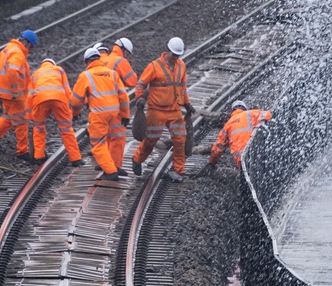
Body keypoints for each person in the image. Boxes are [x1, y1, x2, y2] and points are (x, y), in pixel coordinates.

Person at [131, 36, 191, 181]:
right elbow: (140, 85)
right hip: (156, 110)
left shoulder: (181, 66)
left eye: (178, 55)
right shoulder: (154, 66)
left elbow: (182, 88)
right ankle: (137, 159)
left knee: (180, 139)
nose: (176, 58)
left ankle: (178, 169)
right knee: (151, 139)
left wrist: (187, 104)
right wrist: (139, 98)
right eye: (174, 54)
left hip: (175, 109)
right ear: (168, 51)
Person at [72, 44, 129, 180]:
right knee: (115, 137)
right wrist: (126, 114)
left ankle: (110, 171)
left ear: (87, 61)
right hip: (114, 113)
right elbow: (123, 95)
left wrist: (75, 112)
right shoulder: (112, 73)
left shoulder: (85, 75)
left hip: (99, 114)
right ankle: (115, 165)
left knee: (98, 144)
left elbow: (75, 100)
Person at [0, 30, 36, 158]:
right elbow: (13, 71)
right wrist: (15, 90)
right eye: (30, 46)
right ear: (26, 42)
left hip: (5, 91)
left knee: (8, 117)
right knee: (21, 121)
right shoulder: (17, 53)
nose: (29, 49)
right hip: (13, 94)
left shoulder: (9, 48)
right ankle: (22, 151)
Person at [28, 57, 83, 166]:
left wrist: (30, 114)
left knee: (39, 129)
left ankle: (39, 157)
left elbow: (29, 95)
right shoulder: (59, 70)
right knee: (67, 129)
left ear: (42, 64)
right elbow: (67, 90)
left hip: (39, 100)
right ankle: (76, 159)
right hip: (59, 99)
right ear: (53, 64)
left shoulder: (35, 73)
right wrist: (70, 109)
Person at [204, 105, 272, 172]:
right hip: (254, 154)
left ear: (233, 110)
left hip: (240, 159)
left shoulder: (228, 124)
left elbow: (218, 148)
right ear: (244, 108)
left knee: (246, 174)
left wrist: (212, 162)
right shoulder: (250, 113)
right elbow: (269, 115)